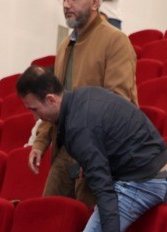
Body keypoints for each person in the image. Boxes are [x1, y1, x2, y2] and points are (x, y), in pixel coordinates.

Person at [16, 68, 167, 232]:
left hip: (144, 182)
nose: (35, 117)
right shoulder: (82, 97)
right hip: (160, 174)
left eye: (34, 109)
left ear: (51, 99)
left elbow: (104, 188)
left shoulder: (79, 127)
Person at [30, 0, 139, 204]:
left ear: (95, 3)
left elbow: (118, 104)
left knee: (87, 218)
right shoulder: (64, 46)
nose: (66, 5)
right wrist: (41, 141)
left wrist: (92, 149)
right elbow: (54, 99)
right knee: (50, 214)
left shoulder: (116, 41)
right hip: (66, 147)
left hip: (98, 149)